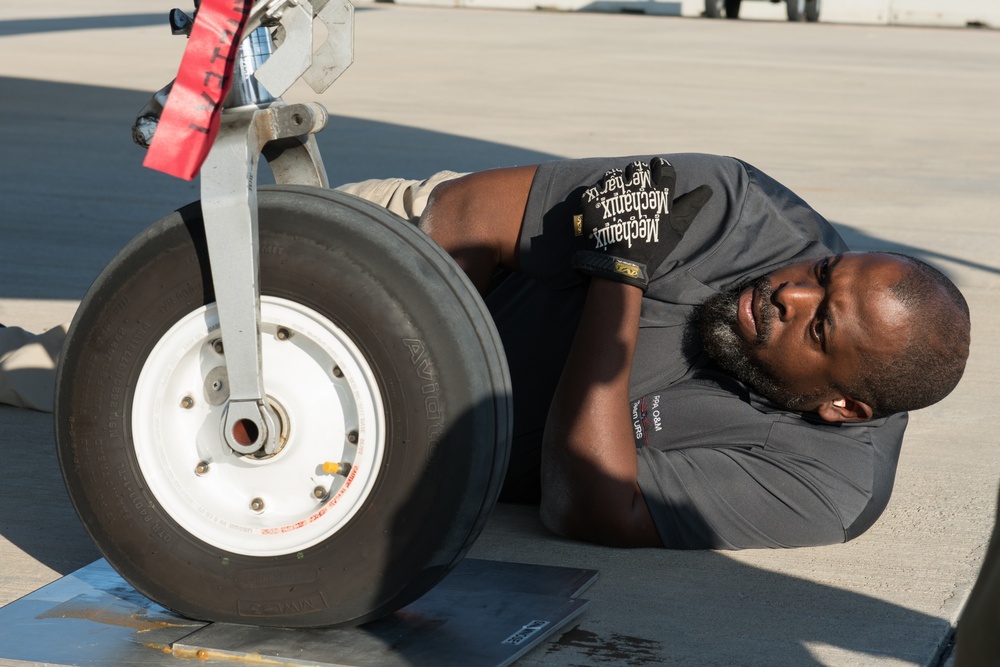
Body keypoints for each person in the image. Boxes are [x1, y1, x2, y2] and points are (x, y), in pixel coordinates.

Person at [2, 153, 971, 551]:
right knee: (102, 367)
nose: (787, 292)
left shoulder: (827, 488)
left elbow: (586, 504)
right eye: (821, 273)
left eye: (817, 325)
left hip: (472, 423)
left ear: (842, 406)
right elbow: (465, 218)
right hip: (419, 262)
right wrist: (352, 365)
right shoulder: (727, 209)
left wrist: (618, 280)